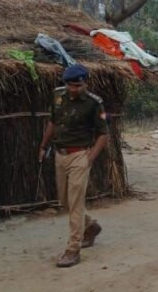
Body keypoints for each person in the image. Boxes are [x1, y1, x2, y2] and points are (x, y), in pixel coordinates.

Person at [38, 63, 109, 268]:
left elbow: (103, 135)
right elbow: (52, 122)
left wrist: (90, 158)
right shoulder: (57, 96)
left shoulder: (94, 103)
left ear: (85, 83)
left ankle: (72, 250)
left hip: (80, 155)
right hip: (60, 154)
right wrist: (43, 146)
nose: (73, 89)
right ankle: (90, 226)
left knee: (76, 202)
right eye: (70, 85)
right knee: (64, 201)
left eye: (77, 86)